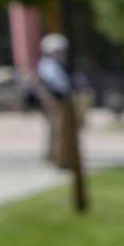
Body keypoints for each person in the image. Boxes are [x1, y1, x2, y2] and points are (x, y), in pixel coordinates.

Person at [32, 32, 77, 169]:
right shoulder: (48, 64)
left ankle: (61, 157)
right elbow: (60, 84)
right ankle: (60, 160)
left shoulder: (58, 63)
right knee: (58, 130)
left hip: (60, 99)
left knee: (60, 130)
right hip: (55, 100)